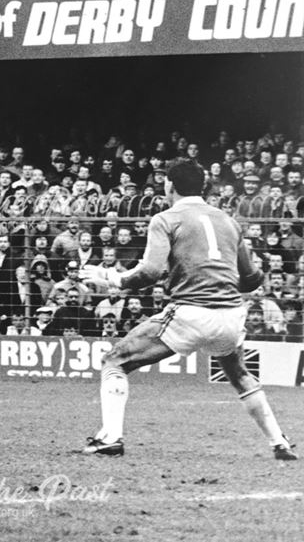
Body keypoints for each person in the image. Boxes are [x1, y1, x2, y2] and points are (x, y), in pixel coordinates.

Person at [80, 161, 296, 460]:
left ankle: (110, 438)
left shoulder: (165, 218)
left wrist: (112, 278)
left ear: (169, 185)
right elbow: (251, 280)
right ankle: (279, 442)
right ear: (203, 186)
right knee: (239, 374)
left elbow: (151, 272)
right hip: (231, 315)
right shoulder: (228, 221)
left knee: (115, 360)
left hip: (191, 311)